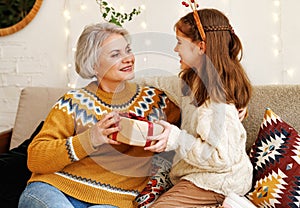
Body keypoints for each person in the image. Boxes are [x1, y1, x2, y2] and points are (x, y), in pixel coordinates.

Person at [18, 22, 180, 208]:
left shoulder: (156, 101)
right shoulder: (73, 102)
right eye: (115, 54)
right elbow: (35, 159)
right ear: (94, 65)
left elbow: (197, 118)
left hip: (116, 199)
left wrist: (173, 135)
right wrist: (90, 139)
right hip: (54, 188)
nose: (128, 58)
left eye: (128, 50)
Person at [135, 8, 253, 207]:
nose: (175, 49)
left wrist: (175, 138)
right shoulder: (194, 81)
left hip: (218, 181)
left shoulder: (215, 100)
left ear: (201, 47)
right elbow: (162, 82)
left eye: (180, 42)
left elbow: (221, 157)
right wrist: (122, 81)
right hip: (201, 176)